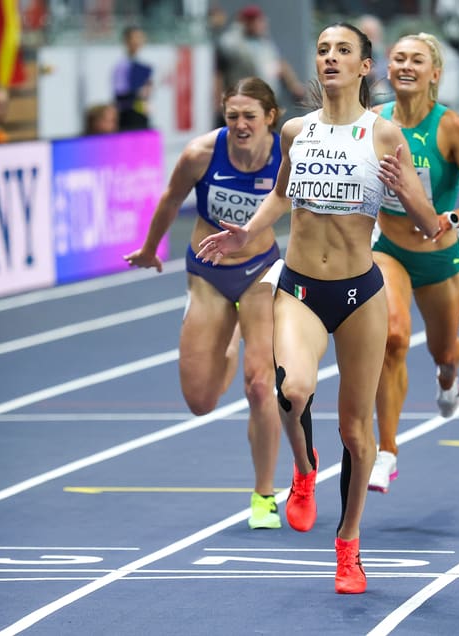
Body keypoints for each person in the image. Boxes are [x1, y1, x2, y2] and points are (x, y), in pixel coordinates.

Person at [196, 23, 440, 594]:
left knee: (357, 432)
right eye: (324, 50)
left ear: (364, 67)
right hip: (301, 286)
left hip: (360, 292)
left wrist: (407, 191)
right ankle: (304, 470)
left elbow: (429, 227)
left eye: (343, 51)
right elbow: (281, 193)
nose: (330, 57)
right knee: (293, 390)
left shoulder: (385, 136)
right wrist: (245, 235)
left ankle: (349, 545)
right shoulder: (296, 131)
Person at [123, 77, 285, 531]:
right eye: (232, 116)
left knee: (259, 386)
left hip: (260, 275)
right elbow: (170, 199)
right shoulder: (200, 154)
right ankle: (229, 341)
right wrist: (151, 248)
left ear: (270, 117)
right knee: (200, 401)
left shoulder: (286, 157)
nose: (240, 125)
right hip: (209, 275)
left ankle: (264, 496)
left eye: (250, 116)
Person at [367, 32, 459, 494]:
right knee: (393, 336)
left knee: (443, 351)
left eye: (416, 60)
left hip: (439, 257)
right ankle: (386, 451)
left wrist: (452, 217)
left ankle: (448, 379)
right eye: (398, 57)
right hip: (388, 251)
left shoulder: (451, 128)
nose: (405, 65)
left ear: (434, 73)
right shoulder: (374, 121)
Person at [216, 5, 305, 126]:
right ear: (246, 22)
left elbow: (280, 63)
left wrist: (294, 85)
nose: (262, 25)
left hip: (266, 101)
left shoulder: (264, 42)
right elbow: (219, 75)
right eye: (257, 21)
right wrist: (220, 101)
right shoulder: (232, 44)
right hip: (244, 102)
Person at [112, 26, 153, 131]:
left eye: (140, 38)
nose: (137, 42)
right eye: (134, 38)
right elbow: (120, 95)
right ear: (126, 40)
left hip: (141, 114)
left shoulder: (145, 64)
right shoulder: (121, 65)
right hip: (127, 116)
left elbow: (147, 93)